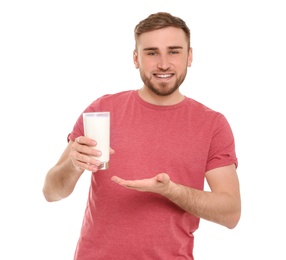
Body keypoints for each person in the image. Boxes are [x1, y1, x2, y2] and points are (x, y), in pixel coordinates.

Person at [43, 12, 241, 260]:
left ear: (189, 56)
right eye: (151, 53)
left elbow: (231, 213)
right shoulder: (101, 111)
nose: (164, 63)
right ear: (136, 58)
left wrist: (171, 190)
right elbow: (51, 192)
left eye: (174, 51)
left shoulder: (213, 124)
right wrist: (73, 165)